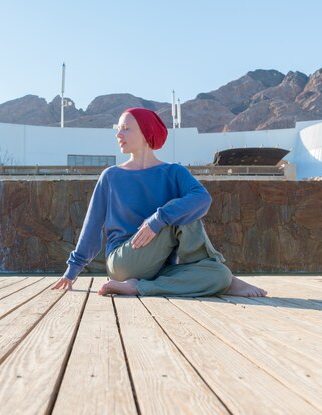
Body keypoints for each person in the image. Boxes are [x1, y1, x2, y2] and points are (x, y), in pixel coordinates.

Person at [52, 108, 266, 298]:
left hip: (161, 268)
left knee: (220, 275)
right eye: (118, 129)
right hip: (124, 261)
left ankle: (138, 287)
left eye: (126, 128)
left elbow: (203, 199)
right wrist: (72, 271)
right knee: (180, 211)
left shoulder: (174, 172)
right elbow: (92, 227)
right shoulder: (111, 176)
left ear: (146, 132)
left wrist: (158, 219)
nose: (119, 134)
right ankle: (138, 281)